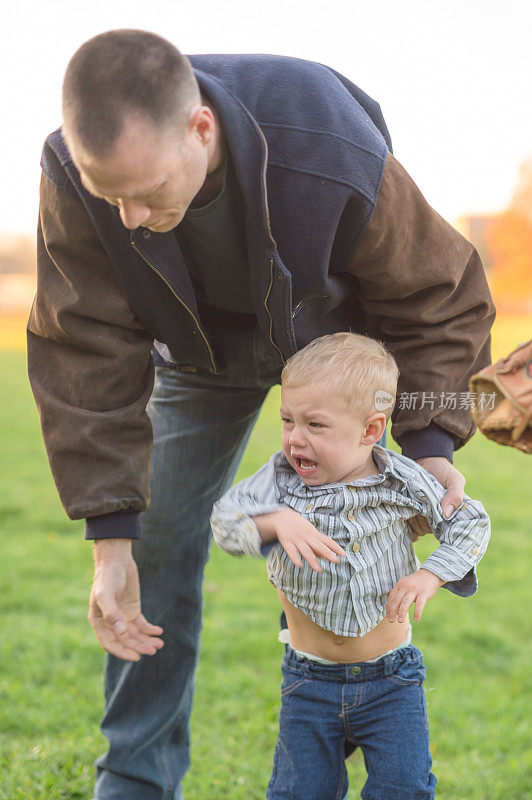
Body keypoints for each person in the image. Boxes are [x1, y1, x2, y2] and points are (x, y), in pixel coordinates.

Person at [27, 29, 495, 800]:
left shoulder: (326, 147)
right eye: (114, 198)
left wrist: (432, 443)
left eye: (146, 191)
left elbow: (437, 292)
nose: (132, 218)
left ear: (200, 129)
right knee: (157, 549)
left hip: (334, 346)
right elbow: (84, 346)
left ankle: (366, 725)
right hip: (198, 357)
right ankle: (136, 778)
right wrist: (112, 542)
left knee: (376, 528)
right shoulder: (76, 177)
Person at [211, 332, 491, 800]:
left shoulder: (401, 482)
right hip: (308, 679)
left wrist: (431, 573)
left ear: (369, 430)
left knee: (403, 790)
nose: (295, 438)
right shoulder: (279, 482)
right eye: (287, 420)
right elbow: (224, 521)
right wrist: (274, 521)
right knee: (300, 792)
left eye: (315, 425)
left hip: (391, 680)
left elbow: (470, 521)